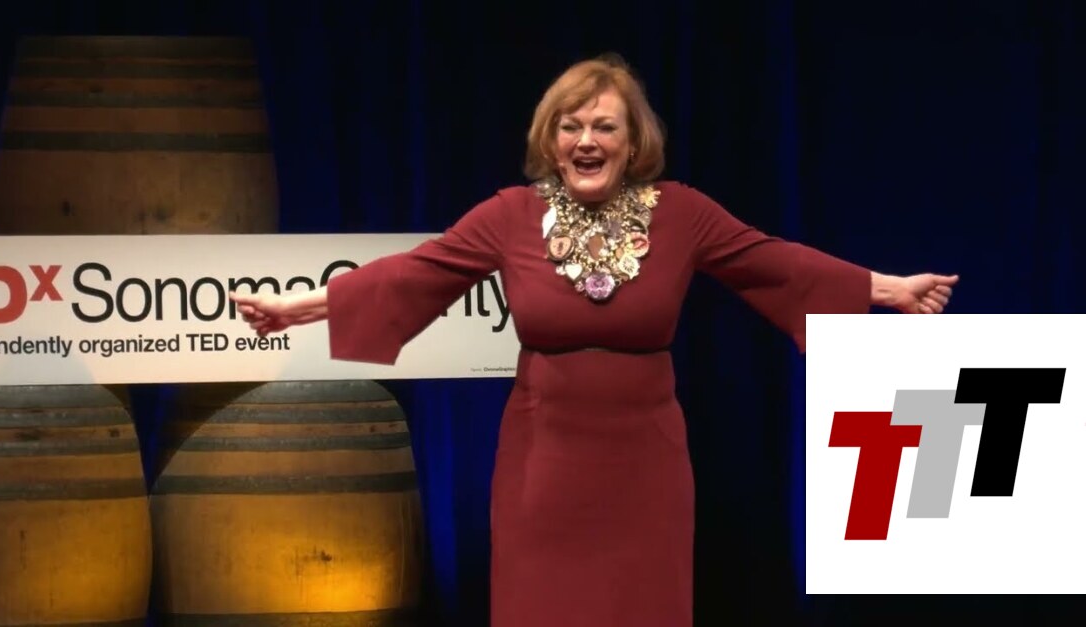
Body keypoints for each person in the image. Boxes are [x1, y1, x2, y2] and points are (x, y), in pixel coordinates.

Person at [230, 55, 957, 627]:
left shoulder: (682, 214)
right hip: (543, 466)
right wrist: (296, 309)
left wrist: (889, 288)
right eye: (570, 126)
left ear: (633, 142)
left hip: (648, 464)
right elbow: (416, 274)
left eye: (604, 127)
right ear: (549, 142)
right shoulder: (509, 215)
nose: (586, 140)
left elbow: (772, 262)